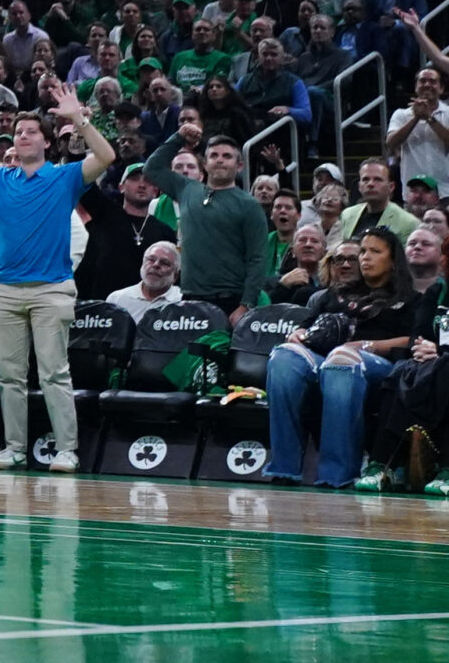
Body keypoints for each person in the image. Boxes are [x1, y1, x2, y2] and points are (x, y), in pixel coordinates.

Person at [0, 78, 112, 473]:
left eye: (32, 131)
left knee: (54, 373)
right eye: (18, 132)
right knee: (9, 377)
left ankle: (66, 450)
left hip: (52, 290)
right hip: (2, 290)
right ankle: (14, 449)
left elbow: (106, 156)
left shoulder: (64, 177)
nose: (24, 136)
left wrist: (79, 120)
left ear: (47, 142)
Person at [266, 228, 422, 488]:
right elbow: (306, 325)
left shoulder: (409, 298)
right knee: (284, 357)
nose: (365, 258)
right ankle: (285, 468)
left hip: (379, 366)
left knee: (341, 360)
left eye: (375, 251)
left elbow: (413, 340)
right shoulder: (338, 292)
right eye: (363, 251)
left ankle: (337, 474)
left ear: (393, 259)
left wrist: (366, 345)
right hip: (326, 357)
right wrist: (299, 334)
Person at [139, 122, 268, 315]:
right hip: (190, 296)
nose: (220, 160)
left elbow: (257, 259)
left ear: (239, 165)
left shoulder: (250, 205)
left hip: (230, 299)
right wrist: (179, 137)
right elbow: (152, 168)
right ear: (205, 164)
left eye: (227, 156)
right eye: (214, 155)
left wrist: (246, 304)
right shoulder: (186, 188)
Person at [106, 242, 185, 324]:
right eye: (151, 259)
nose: (156, 265)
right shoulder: (117, 299)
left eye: (164, 263)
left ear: (175, 276)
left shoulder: (182, 302)